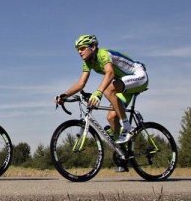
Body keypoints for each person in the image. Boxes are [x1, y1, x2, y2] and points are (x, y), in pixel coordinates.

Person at [55, 34, 149, 172]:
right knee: (111, 117)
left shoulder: (103, 54)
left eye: (82, 48)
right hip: (123, 84)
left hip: (138, 76)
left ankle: (127, 128)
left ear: (92, 47)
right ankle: (123, 156)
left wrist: (98, 93)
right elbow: (81, 83)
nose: (79, 52)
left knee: (108, 90)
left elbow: (110, 74)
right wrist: (63, 95)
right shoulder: (88, 62)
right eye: (77, 50)